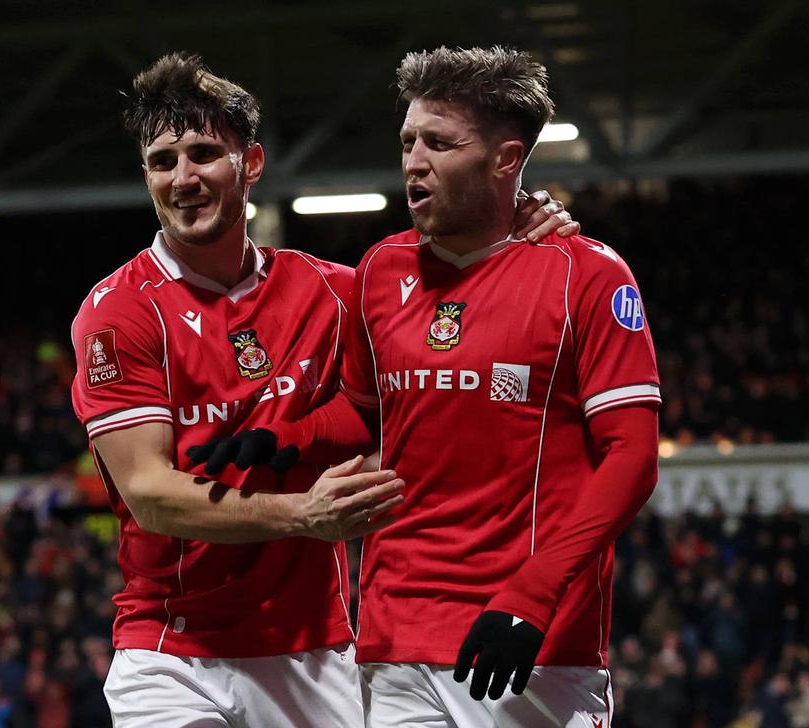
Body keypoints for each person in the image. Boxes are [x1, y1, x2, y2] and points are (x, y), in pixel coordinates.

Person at [70, 52, 578, 727]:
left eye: (204, 154)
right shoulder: (119, 313)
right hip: (173, 654)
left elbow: (460, 278)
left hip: (316, 650)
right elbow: (150, 494)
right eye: (163, 162)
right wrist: (301, 513)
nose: (183, 178)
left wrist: (520, 218)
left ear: (250, 164)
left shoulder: (335, 291)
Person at [193, 46, 659, 728]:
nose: (414, 162)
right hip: (395, 636)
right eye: (408, 141)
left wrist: (535, 593)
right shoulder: (381, 271)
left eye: (439, 144)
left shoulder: (586, 275)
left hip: (528, 641)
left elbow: (632, 458)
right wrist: (287, 439)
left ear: (505, 159)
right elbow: (364, 413)